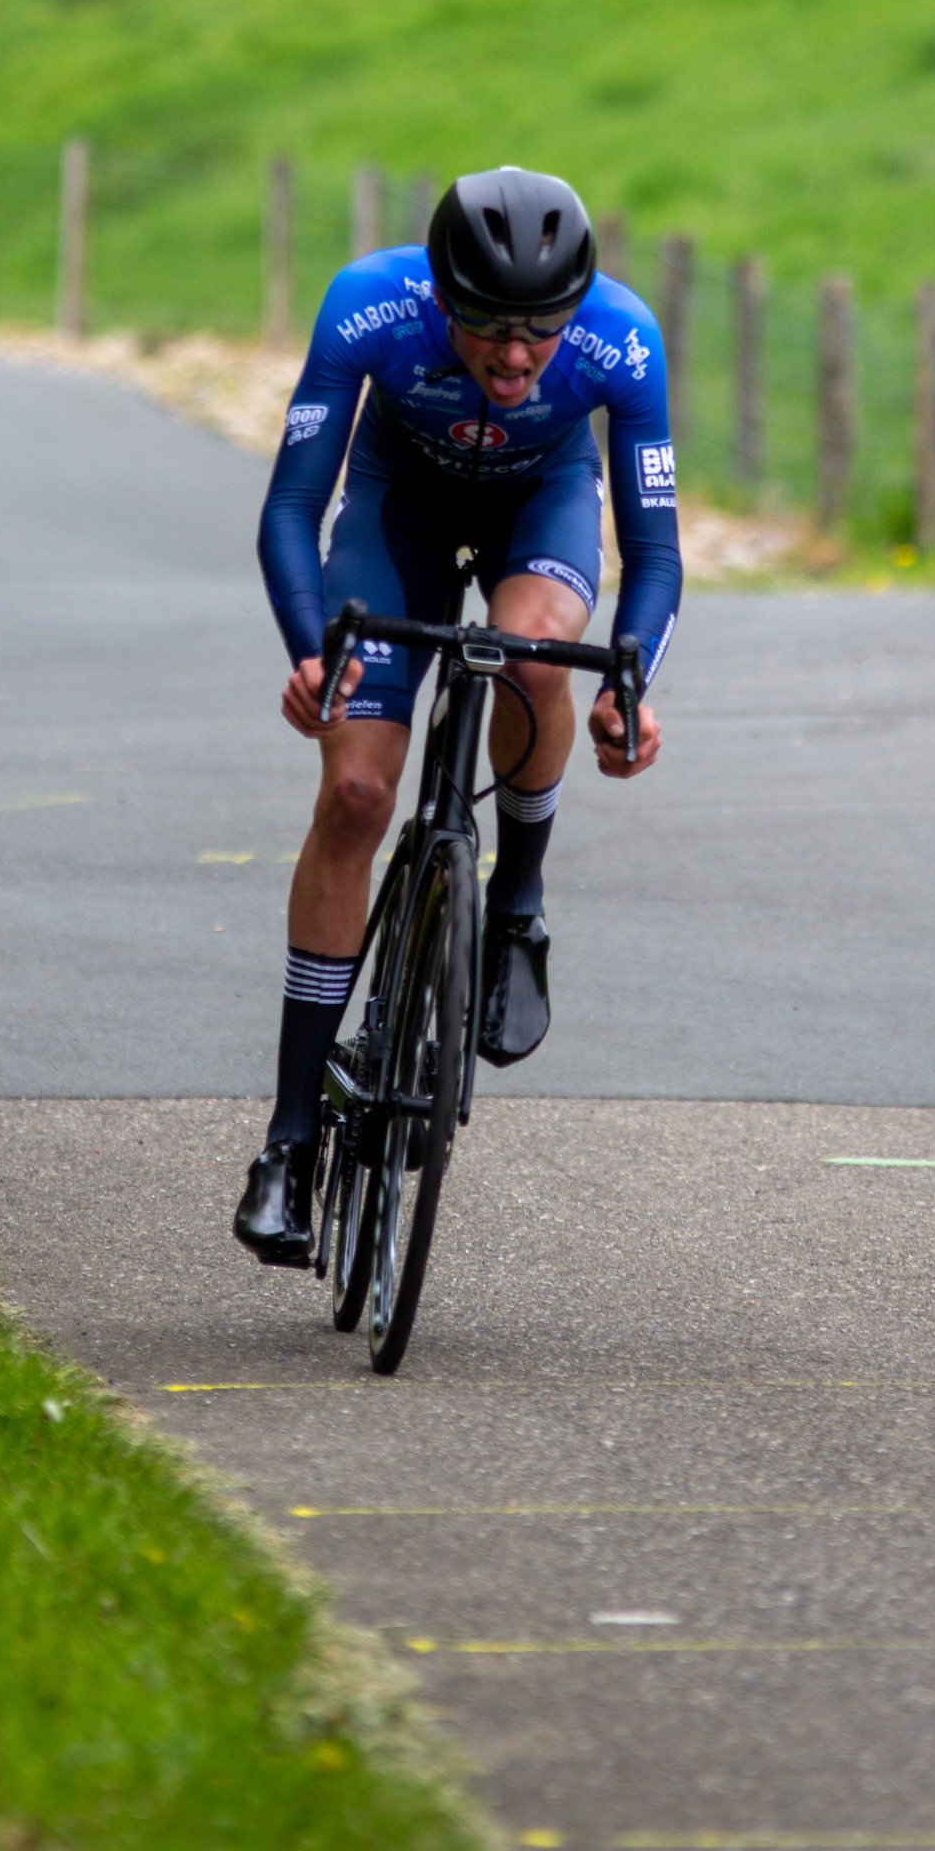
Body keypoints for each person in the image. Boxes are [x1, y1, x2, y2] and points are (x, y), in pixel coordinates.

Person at [234, 166, 682, 1264]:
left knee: (535, 663)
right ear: (441, 297)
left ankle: (517, 904)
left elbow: (657, 552)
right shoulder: (367, 306)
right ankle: (289, 1142)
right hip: (401, 510)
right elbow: (292, 507)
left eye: (542, 328)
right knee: (353, 795)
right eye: (488, 326)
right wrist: (309, 655)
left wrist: (631, 690)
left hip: (543, 501)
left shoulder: (623, 340)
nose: (518, 354)